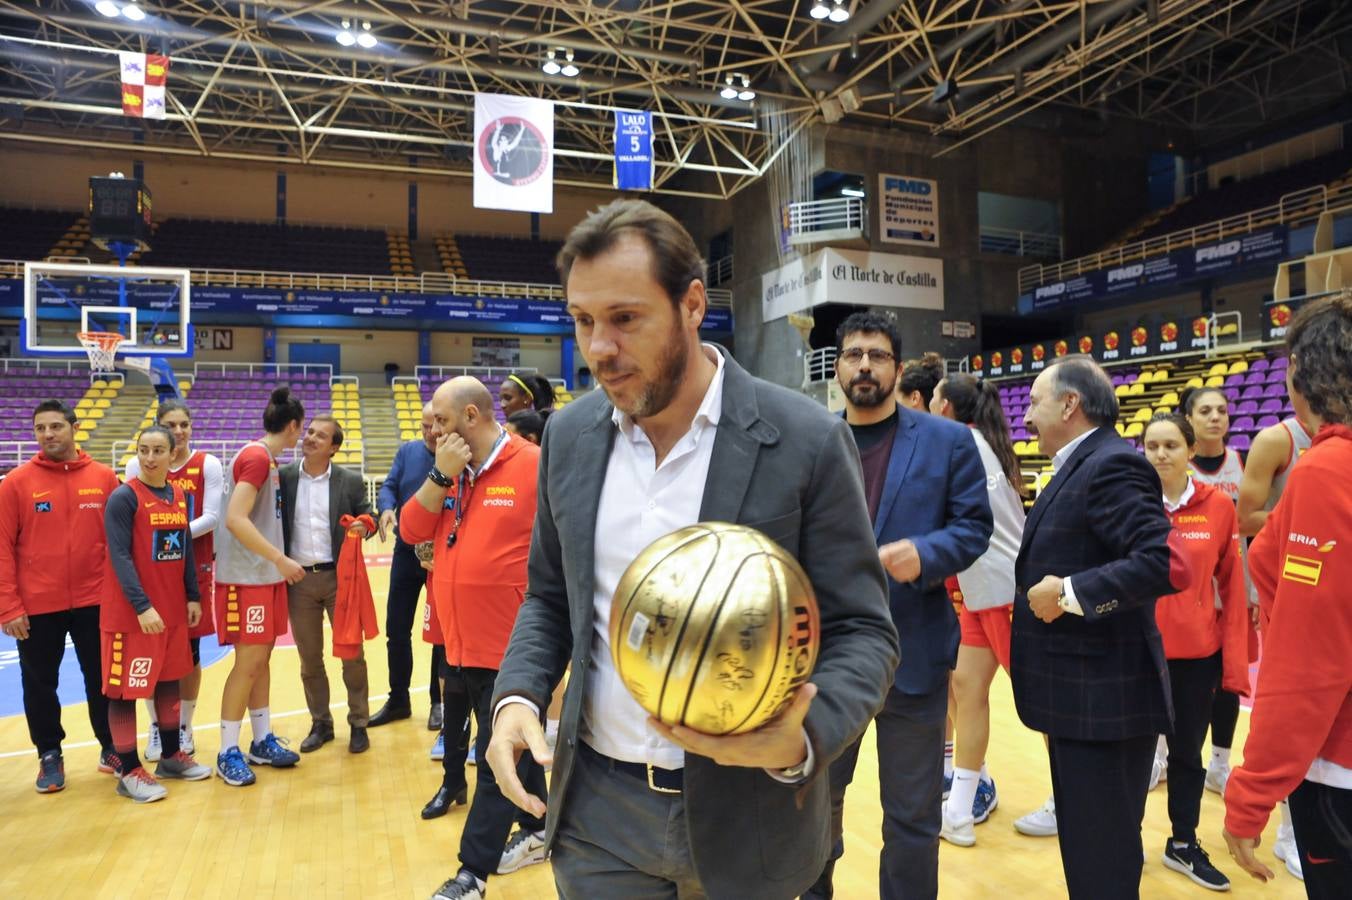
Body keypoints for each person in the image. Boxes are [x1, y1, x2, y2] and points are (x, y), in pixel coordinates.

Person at [487, 199, 899, 900]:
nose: (599, 348)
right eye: (583, 321)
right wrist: (517, 696)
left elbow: (865, 631)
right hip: (598, 814)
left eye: (625, 318)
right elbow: (550, 597)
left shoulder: (803, 437)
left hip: (753, 812)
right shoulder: (568, 436)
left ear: (692, 304)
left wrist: (800, 741)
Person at [802, 314, 991, 900]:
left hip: (915, 654)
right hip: (826, 665)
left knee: (912, 819)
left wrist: (926, 552)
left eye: (877, 356)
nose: (864, 365)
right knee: (812, 812)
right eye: (854, 355)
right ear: (837, 369)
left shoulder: (947, 440)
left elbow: (974, 528)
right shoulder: (811, 440)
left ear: (897, 368)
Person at [1014, 354, 1189, 900]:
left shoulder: (1112, 463)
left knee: (1103, 860)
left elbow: (1160, 562)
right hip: (1082, 702)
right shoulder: (1082, 460)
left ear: (1070, 404)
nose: (1026, 418)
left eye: (1037, 403)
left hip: (1105, 708)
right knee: (1091, 855)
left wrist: (1068, 594)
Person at [399, 377, 549, 899]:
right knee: (515, 747)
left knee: (493, 754)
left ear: (469, 416)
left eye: (438, 421)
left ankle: (472, 874)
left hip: (512, 647)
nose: (431, 430)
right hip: (458, 641)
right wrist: (441, 474)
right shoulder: (448, 472)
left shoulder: (532, 466)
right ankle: (537, 828)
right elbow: (411, 529)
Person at [1223, 293, 1352, 899]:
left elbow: (1310, 661)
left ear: (1307, 375)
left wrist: (1250, 795)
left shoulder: (1327, 473)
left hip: (1340, 766)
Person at [1141, 413, 1251, 890]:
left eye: (1170, 445)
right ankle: (1123, 839)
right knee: (1133, 754)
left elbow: (1231, 585)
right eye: (1151, 446)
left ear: (1190, 451)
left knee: (1187, 754)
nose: (1161, 454)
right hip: (1138, 653)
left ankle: (1182, 843)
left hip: (1196, 656)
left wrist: (1233, 666)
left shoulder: (1219, 508)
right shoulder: (1131, 503)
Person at [0, 399, 119, 790]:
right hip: (37, 607)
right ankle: (49, 754)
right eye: (40, 429)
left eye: (55, 426)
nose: (48, 434)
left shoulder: (103, 478)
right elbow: (1, 548)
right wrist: (8, 606)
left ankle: (111, 746)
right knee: (38, 684)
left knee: (102, 680)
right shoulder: (16, 483)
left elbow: (121, 543)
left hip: (96, 600)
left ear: (73, 426)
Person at [930, 373, 1026, 849]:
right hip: (978, 591)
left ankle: (1071, 801)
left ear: (945, 407)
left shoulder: (958, 443)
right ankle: (960, 811)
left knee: (1039, 706)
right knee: (966, 691)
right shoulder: (981, 441)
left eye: (931, 398)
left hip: (1006, 589)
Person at [1234, 364, 1320, 881]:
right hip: (1288, 591)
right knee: (1292, 707)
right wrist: (1308, 507)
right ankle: (1289, 831)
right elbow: (1244, 519)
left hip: (1330, 589)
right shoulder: (1276, 439)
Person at [101, 426, 213, 801]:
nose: (150, 458)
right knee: (123, 692)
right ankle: (130, 770)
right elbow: (119, 556)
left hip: (171, 610)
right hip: (132, 615)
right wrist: (142, 605)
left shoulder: (178, 495)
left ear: (171, 453)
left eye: (158, 450)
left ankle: (170, 757)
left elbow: (181, 550)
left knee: (169, 680)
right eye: (143, 450)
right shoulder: (123, 497)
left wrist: (192, 596)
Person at [212, 386, 306, 786]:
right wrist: (279, 558)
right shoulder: (254, 457)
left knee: (261, 660)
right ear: (293, 427)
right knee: (248, 663)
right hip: (246, 577)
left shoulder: (265, 459)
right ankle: (226, 750)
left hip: (263, 577)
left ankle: (261, 738)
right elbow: (235, 518)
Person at [124, 399, 223, 760]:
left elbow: (212, 516)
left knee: (189, 654)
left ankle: (184, 725)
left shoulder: (207, 464)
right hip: (151, 572)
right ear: (159, 427)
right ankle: (155, 725)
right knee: (152, 650)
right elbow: (133, 517)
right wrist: (161, 536)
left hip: (194, 570)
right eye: (172, 424)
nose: (179, 431)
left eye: (184, 424)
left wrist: (168, 533)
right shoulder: (138, 464)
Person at [279, 415, 376, 755]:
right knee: (310, 659)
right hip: (298, 580)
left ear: (334, 447)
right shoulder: (284, 477)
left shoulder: (349, 481)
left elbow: (369, 516)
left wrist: (366, 525)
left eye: (321, 436)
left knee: (352, 656)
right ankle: (321, 723)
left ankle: (359, 723)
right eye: (309, 432)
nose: (311, 438)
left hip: (340, 580)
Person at [1180, 385, 1249, 796]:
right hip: (1185, 595)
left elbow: (1251, 537)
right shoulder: (1177, 468)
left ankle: (1220, 763)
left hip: (1231, 591)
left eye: (1221, 410)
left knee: (1228, 678)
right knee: (1178, 678)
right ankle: (1164, 755)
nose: (1215, 417)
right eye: (1205, 410)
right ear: (1189, 418)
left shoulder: (1242, 463)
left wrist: (1254, 594)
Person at [373, 401, 444, 730]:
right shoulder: (408, 451)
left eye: (435, 425)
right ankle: (398, 699)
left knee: (440, 636)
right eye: (424, 426)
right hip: (406, 550)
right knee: (396, 629)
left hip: (442, 555)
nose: (429, 433)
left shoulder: (457, 455)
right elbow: (389, 485)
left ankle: (438, 703)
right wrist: (386, 507)